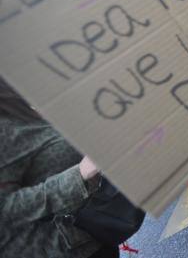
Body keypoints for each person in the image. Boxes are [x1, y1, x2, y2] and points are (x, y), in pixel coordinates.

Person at [0, 79, 114, 258]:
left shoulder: (11, 94)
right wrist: (79, 175)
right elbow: (6, 209)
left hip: (88, 231)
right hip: (61, 246)